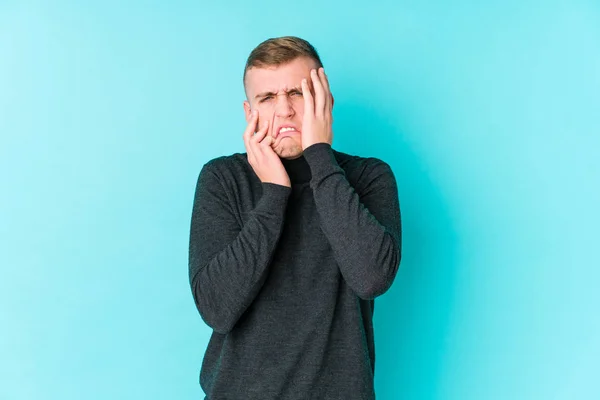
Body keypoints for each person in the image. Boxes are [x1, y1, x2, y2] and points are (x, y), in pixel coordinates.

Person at [188, 36, 402, 400]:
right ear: (248, 112)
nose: (284, 110)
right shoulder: (222, 179)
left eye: (298, 93)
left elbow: (371, 279)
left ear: (325, 100)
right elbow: (217, 310)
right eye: (267, 98)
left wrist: (320, 156)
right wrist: (274, 193)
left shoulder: (369, 178)